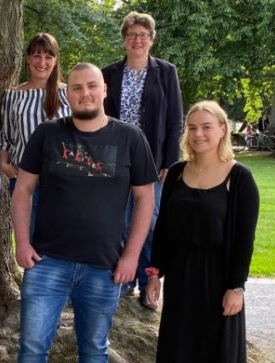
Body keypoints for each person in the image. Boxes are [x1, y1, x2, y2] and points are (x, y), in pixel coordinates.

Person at [8, 63, 157, 363]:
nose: (84, 94)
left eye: (91, 86)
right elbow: (22, 190)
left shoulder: (130, 139)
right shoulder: (48, 134)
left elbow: (145, 199)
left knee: (94, 347)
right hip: (48, 263)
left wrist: (132, 257)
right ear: (66, 94)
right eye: (76, 88)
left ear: (104, 90)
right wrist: (22, 243)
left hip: (104, 267)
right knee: (33, 346)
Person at [146, 101, 259, 363]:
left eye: (206, 127)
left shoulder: (239, 178)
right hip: (182, 282)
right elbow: (163, 231)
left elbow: (244, 239)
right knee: (180, 361)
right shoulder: (177, 173)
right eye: (192, 127)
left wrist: (236, 287)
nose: (198, 134)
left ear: (222, 129)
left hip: (219, 283)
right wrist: (154, 274)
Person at [101, 11, 183, 310]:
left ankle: (149, 280)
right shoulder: (108, 73)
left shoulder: (166, 72)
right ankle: (124, 280)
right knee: (120, 222)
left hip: (154, 161)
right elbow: (100, 119)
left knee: (150, 223)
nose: (138, 40)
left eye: (143, 35)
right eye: (132, 34)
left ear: (151, 39)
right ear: (124, 39)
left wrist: (169, 161)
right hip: (116, 161)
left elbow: (175, 120)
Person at [0, 33, 71, 237]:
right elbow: (7, 134)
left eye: (48, 56)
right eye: (37, 55)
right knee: (29, 240)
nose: (42, 62)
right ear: (28, 58)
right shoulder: (13, 95)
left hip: (63, 182)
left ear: (55, 61)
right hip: (24, 182)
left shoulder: (68, 93)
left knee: (61, 239)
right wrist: (3, 163)